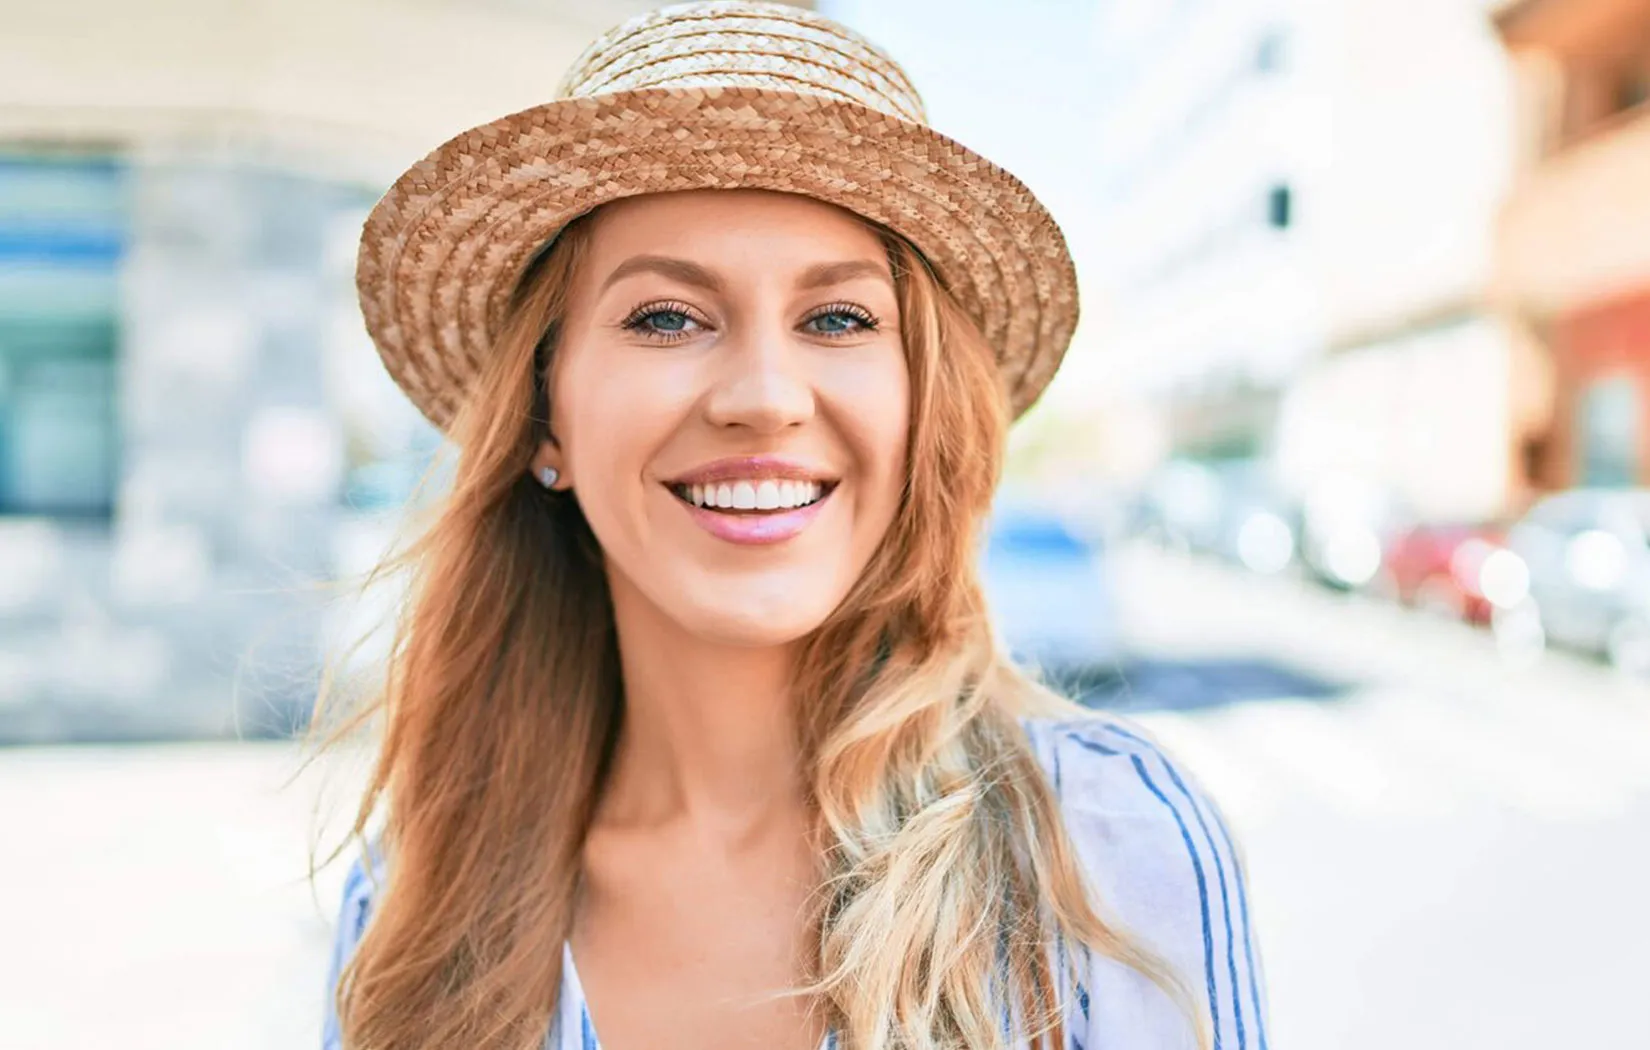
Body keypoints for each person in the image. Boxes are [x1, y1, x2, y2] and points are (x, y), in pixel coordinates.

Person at [318, 3, 1267, 1049]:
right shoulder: (413, 898)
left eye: (838, 319)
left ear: (921, 408)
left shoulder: (1105, 846)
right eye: (665, 317)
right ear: (547, 415)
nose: (764, 397)